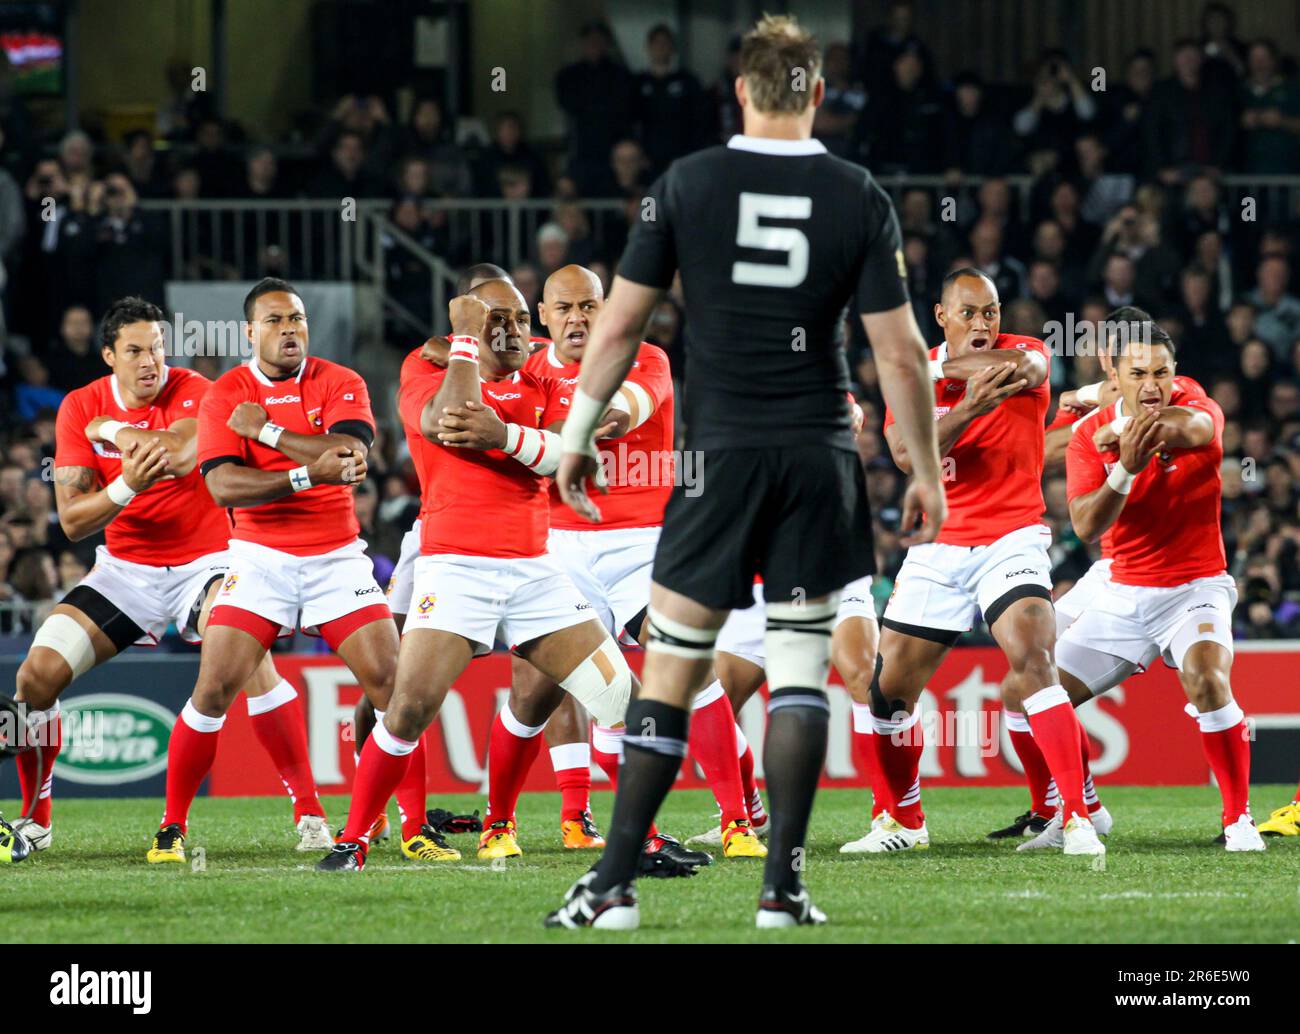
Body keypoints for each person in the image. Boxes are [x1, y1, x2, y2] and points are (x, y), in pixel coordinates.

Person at [544, 14, 944, 929]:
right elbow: (903, 356)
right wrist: (921, 468)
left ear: (739, 90)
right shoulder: (857, 194)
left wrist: (573, 436)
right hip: (817, 457)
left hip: (718, 457)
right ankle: (783, 887)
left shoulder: (687, 184)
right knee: (800, 677)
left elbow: (618, 328)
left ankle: (611, 886)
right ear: (814, 93)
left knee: (671, 670)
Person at [317, 278, 649, 873]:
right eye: (498, 320)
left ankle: (642, 839)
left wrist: (506, 437)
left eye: (522, 319)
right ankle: (356, 838)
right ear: (467, 326)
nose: (515, 331)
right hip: (456, 568)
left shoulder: (545, 379)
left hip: (536, 572)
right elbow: (449, 422)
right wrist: (467, 348)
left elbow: (575, 455)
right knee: (407, 710)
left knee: (625, 699)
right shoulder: (424, 370)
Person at [12, 297, 330, 857]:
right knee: (35, 679)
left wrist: (111, 431)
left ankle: (309, 811)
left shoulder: (196, 391)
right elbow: (72, 518)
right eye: (134, 351)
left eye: (158, 347)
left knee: (249, 654)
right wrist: (126, 486)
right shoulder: (76, 406)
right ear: (109, 355)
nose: (150, 361)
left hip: (207, 565)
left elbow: (183, 454)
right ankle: (36, 820)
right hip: (124, 573)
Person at [146, 279, 408, 864]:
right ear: (249, 332)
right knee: (213, 689)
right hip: (258, 560)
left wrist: (263, 433)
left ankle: (411, 824)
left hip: (337, 558)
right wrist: (305, 473)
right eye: (274, 320)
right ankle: (171, 825)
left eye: (297, 318)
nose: (289, 329)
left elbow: (348, 453)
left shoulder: (341, 381)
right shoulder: (226, 395)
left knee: (395, 687)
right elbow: (221, 487)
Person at [848, 268, 1104, 859]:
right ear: (942, 317)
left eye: (990, 312)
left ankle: (1078, 819)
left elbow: (1026, 372)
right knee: (886, 695)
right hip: (938, 547)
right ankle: (904, 821)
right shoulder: (913, 378)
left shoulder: (1026, 351)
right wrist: (959, 410)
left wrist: (923, 368)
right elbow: (909, 456)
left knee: (1034, 661)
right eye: (969, 314)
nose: (984, 324)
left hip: (1010, 539)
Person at [1059, 329, 1265, 852]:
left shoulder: (1194, 403)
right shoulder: (1087, 437)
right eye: (1138, 374)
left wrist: (1125, 428)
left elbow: (1194, 428)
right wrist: (1124, 469)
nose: (1152, 384)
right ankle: (1084, 809)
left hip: (1195, 587)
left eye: (1160, 373)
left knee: (1208, 680)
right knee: (1035, 695)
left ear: (1174, 373)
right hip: (1123, 594)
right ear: (1114, 377)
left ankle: (1238, 819)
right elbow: (1084, 524)